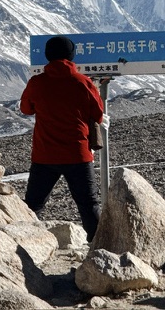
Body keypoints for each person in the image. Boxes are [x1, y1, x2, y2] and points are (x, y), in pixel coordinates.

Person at [20, 35, 104, 240]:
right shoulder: (83, 82)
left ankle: (25, 247)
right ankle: (100, 250)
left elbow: (25, 108)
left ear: (48, 56)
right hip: (78, 154)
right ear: (71, 55)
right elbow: (99, 114)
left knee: (33, 205)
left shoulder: (37, 82)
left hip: (44, 156)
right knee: (88, 205)